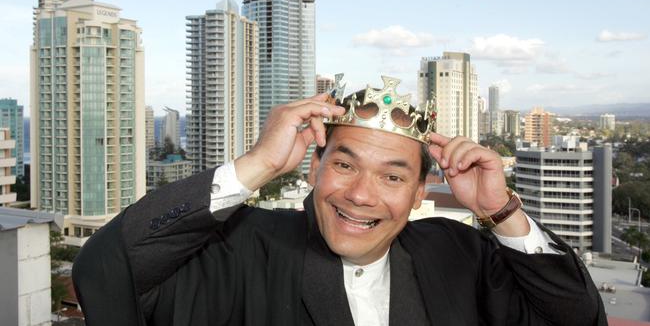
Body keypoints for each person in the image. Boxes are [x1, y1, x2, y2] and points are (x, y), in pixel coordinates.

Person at [73, 76, 606, 326]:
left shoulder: (457, 253)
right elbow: (107, 269)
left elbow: (575, 320)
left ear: (420, 193)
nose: (359, 195)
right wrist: (258, 164)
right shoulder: (243, 247)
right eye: (345, 165)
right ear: (314, 168)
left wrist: (502, 212)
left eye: (393, 178)